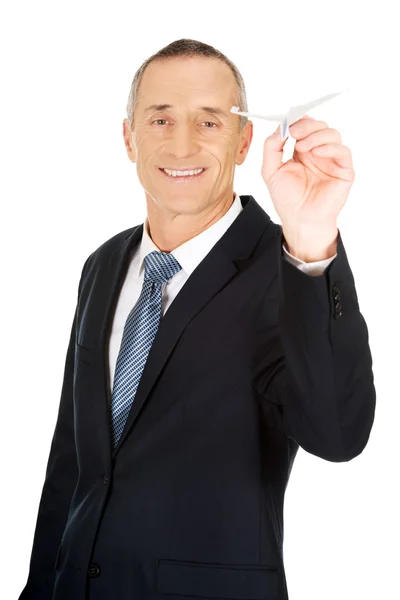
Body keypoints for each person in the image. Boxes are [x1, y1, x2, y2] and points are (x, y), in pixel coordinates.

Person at [19, 38, 376, 600]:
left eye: (209, 123)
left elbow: (338, 435)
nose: (181, 144)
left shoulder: (286, 265)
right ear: (128, 137)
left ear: (242, 141)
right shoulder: (104, 265)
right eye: (160, 118)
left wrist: (310, 241)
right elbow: (73, 462)